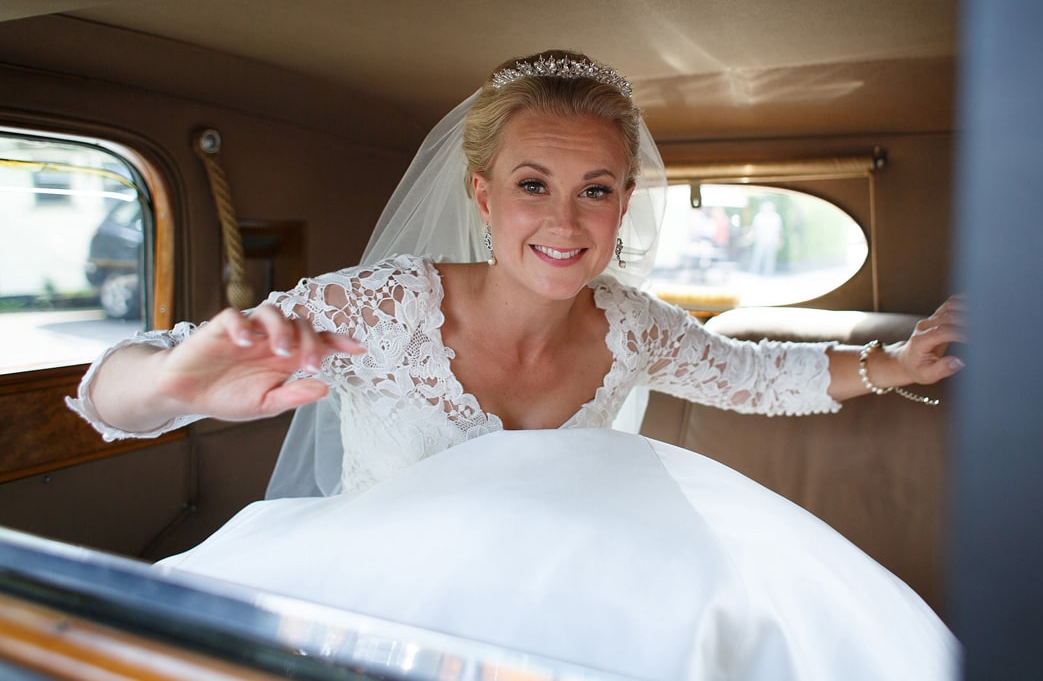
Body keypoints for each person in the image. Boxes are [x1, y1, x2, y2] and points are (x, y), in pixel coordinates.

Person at [66, 50, 964, 679]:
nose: (564, 225)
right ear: (484, 195)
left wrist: (897, 360)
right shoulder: (380, 307)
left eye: (595, 192)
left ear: (622, 206)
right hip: (376, 607)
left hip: (563, 620)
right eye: (534, 185)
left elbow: (753, 374)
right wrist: (173, 382)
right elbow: (115, 396)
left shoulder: (631, 325)